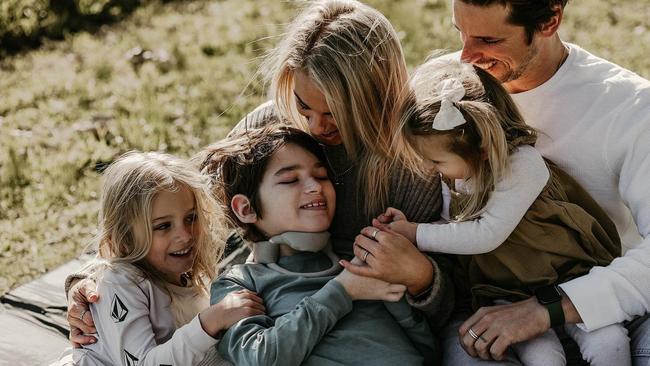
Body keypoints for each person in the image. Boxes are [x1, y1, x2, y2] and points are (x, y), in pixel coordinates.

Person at [64, 0, 457, 346]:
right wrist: (93, 278)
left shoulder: (413, 165)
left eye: (335, 112)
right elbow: (169, 202)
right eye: (305, 106)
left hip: (365, 333)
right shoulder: (271, 127)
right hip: (266, 321)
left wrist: (422, 278)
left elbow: (451, 305)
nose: (316, 126)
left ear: (377, 95)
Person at [376, 57, 628, 365]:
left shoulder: (523, 165)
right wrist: (408, 227)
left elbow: (486, 235)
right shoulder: (454, 177)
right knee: (543, 357)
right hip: (509, 292)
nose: (431, 170)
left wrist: (417, 234)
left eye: (436, 162)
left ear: (482, 149)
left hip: (572, 281)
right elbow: (451, 224)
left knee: (609, 341)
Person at [449, 0, 650, 364]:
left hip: (614, 304)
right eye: (459, 33)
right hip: (490, 306)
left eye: (488, 39)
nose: (465, 56)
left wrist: (548, 309)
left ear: (550, 20)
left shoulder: (630, 107)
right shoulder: (448, 94)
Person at [198, 125, 438, 365]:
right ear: (246, 209)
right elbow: (259, 358)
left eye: (322, 177)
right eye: (291, 180)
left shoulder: (358, 252)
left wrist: (395, 271)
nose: (315, 187)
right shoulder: (241, 282)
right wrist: (343, 290)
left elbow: (427, 345)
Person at [57, 151, 265, 365]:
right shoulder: (120, 283)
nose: (185, 235)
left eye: (191, 218)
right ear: (124, 237)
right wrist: (211, 321)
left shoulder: (184, 277)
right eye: (163, 226)